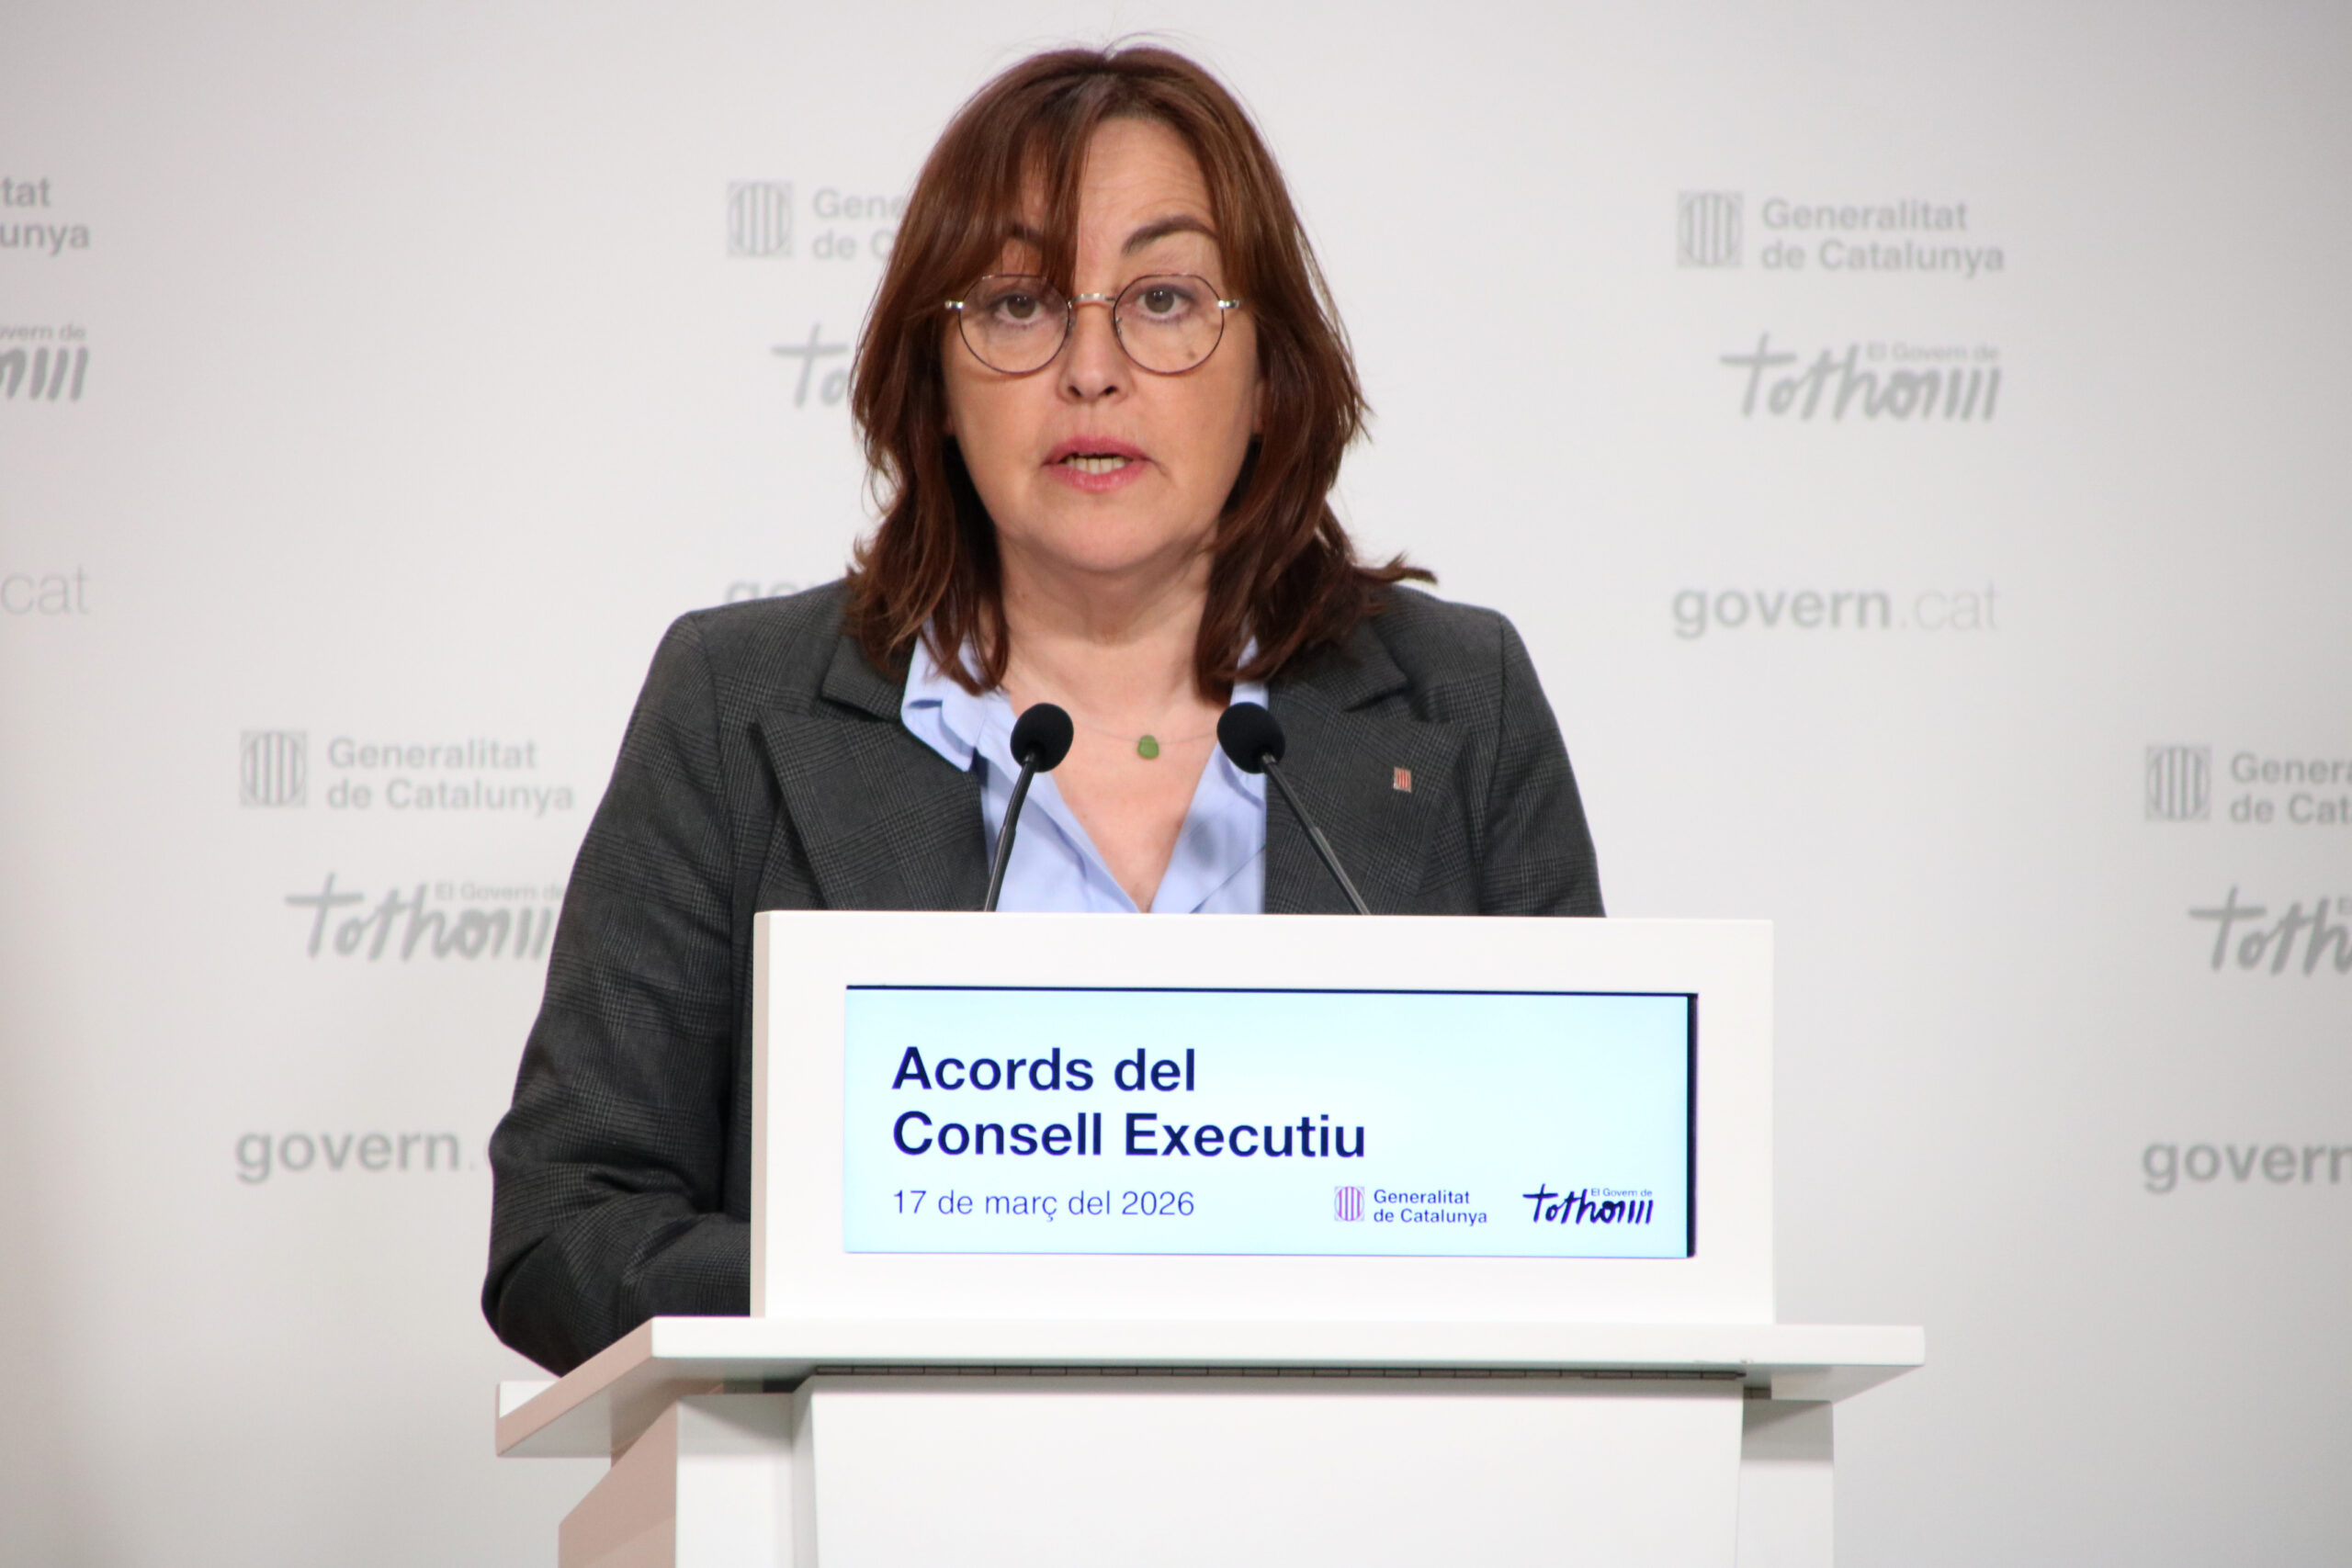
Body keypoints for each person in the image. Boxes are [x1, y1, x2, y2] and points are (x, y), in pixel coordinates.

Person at [483, 44, 1603, 1375]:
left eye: (1164, 298)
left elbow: (1591, 1202)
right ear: (937, 385)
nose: (1091, 367)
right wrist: (916, 1266)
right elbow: (565, 1229)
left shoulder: (1460, 704)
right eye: (1018, 304)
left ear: (1270, 372)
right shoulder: (739, 703)